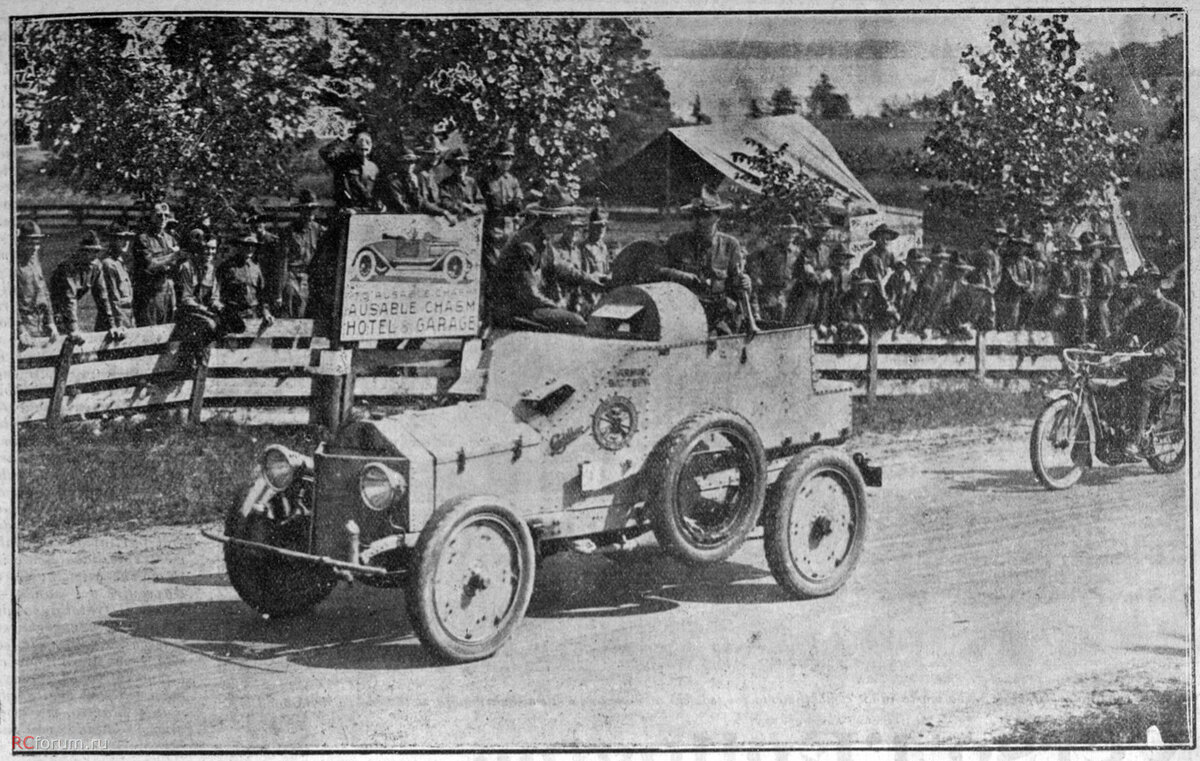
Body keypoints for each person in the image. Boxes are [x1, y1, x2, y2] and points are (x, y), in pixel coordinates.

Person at [491, 184, 605, 332]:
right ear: (554, 218)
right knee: (575, 321)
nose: (568, 223)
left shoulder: (540, 237)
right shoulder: (527, 246)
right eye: (566, 217)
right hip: (512, 310)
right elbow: (529, 294)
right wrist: (557, 307)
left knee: (573, 316)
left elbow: (560, 267)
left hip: (524, 305)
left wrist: (591, 280)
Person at [655, 187, 752, 335]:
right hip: (684, 315)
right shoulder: (676, 242)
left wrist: (745, 282)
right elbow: (658, 271)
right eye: (695, 215)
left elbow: (736, 285)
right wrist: (682, 276)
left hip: (719, 317)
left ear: (717, 216)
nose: (699, 221)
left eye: (705, 215)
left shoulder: (730, 245)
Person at [1113, 264, 1185, 458]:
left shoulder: (1173, 310)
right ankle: (1120, 434)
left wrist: (1163, 349)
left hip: (1165, 368)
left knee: (1143, 388)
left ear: (1157, 283)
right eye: (1140, 283)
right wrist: (1103, 346)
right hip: (1141, 365)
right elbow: (1122, 334)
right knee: (1114, 391)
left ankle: (1134, 442)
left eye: (1147, 282)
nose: (1143, 287)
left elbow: (1181, 339)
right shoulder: (1138, 311)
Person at [176, 231, 239, 354]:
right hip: (189, 313)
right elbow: (186, 298)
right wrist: (205, 309)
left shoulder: (212, 269)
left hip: (206, 314)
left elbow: (214, 297)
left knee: (229, 326)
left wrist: (220, 308)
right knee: (211, 325)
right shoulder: (187, 267)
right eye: (206, 248)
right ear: (199, 248)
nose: (210, 252)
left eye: (213, 249)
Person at [50, 231, 114, 345]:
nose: (94, 255)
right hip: (52, 310)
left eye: (96, 252)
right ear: (81, 252)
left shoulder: (96, 266)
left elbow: (102, 297)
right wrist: (73, 328)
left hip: (68, 310)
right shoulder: (68, 267)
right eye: (90, 251)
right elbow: (69, 298)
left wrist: (112, 325)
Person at [273, 189, 326, 318]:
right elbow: (283, 262)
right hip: (292, 276)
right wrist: (279, 293)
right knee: (290, 314)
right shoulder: (288, 232)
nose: (310, 215)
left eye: (312, 211)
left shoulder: (318, 230)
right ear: (300, 211)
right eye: (306, 211)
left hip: (309, 277)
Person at [131, 201, 181, 326]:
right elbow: (149, 264)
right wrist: (173, 256)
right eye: (159, 215)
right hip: (149, 293)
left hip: (167, 291)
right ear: (151, 217)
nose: (163, 218)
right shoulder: (143, 239)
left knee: (166, 329)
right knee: (149, 331)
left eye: (166, 215)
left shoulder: (170, 239)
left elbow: (176, 265)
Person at [747, 214, 803, 323]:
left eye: (793, 231)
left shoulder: (797, 253)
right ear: (780, 232)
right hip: (768, 299)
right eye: (787, 231)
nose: (790, 234)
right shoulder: (768, 251)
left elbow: (798, 277)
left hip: (787, 299)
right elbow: (755, 275)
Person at [480, 139, 525, 268]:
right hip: (491, 229)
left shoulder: (512, 180)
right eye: (504, 158)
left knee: (507, 267)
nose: (507, 162)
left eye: (510, 158)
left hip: (508, 230)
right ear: (496, 159)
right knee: (492, 267)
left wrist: (517, 203)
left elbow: (518, 200)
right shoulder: (485, 179)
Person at [217, 231, 275, 326]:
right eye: (246, 245)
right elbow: (218, 290)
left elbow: (262, 293)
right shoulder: (227, 266)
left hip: (253, 313)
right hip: (233, 314)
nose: (250, 249)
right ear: (239, 246)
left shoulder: (256, 268)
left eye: (253, 246)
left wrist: (265, 311)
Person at [16, 220, 58, 349]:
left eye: (37, 243)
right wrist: (20, 329)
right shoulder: (12, 263)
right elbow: (8, 301)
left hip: (40, 322)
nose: (35, 248)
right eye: (30, 243)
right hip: (24, 324)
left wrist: (50, 321)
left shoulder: (35, 260)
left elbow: (44, 290)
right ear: (20, 242)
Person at [319, 126, 380, 211]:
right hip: (345, 210)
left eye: (368, 141)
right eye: (360, 141)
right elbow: (324, 152)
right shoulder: (344, 161)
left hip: (364, 211)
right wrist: (340, 138)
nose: (364, 143)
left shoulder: (374, 167)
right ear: (353, 145)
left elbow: (375, 193)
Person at [97, 221, 136, 335]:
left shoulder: (120, 263)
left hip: (127, 319)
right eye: (120, 238)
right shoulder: (108, 264)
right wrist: (118, 324)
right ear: (112, 241)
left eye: (127, 239)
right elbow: (112, 297)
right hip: (116, 323)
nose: (125, 242)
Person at [783, 229, 826, 328]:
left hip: (815, 294)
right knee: (797, 324)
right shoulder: (804, 252)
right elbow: (809, 273)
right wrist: (821, 276)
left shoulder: (824, 251)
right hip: (802, 293)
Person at [575, 205, 612, 316]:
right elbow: (583, 280)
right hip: (588, 301)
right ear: (590, 227)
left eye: (604, 225)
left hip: (603, 297)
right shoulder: (583, 248)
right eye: (598, 226)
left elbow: (606, 271)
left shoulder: (603, 247)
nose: (601, 229)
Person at [996, 233, 1035, 331]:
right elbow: (1010, 277)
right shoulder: (1007, 260)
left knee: (1030, 300)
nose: (1021, 248)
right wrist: (1022, 285)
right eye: (1018, 245)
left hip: (1022, 292)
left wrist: (1028, 287)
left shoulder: (1027, 262)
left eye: (1023, 246)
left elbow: (1031, 280)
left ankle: (1022, 324)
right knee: (1008, 316)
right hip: (1008, 293)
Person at [415, 135, 456, 223]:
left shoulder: (432, 173)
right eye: (431, 154)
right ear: (424, 155)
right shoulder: (421, 175)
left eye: (438, 153)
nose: (435, 156)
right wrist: (443, 212)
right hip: (421, 219)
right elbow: (423, 203)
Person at [374, 145, 422, 213]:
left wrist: (416, 188)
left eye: (412, 162)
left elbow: (420, 204)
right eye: (406, 162)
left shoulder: (414, 180)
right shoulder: (394, 182)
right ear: (401, 164)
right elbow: (401, 206)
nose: (410, 166)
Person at [1087, 236, 1118, 344]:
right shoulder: (1102, 267)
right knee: (1102, 320)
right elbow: (1105, 285)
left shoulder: (1106, 267)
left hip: (1105, 298)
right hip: (1102, 300)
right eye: (1112, 251)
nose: (1114, 254)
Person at [439, 148, 485, 218]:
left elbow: (482, 203)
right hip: (454, 220)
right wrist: (462, 205)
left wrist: (477, 207)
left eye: (464, 165)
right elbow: (445, 202)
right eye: (457, 165)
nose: (461, 168)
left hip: (471, 220)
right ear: (452, 166)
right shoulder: (446, 183)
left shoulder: (471, 182)